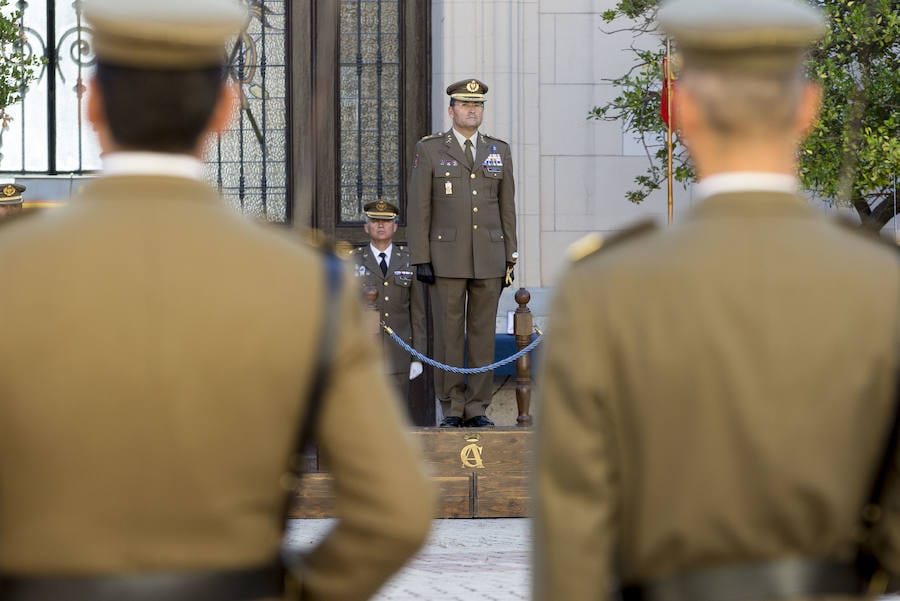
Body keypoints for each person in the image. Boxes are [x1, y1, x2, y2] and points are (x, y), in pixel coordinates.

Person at [0, 0, 435, 600]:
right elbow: (399, 510)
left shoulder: (11, 266)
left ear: (92, 102)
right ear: (227, 109)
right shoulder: (307, 281)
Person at [534, 0, 900, 599]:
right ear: (808, 108)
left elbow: (572, 549)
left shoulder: (605, 287)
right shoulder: (881, 283)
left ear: (685, 110)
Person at [407, 78, 517, 428]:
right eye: (466, 105)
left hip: (488, 255)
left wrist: (509, 255)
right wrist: (420, 256)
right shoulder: (430, 150)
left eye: (479, 105)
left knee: (482, 335)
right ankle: (452, 406)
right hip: (446, 257)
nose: (473, 110)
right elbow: (420, 206)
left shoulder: (498, 150)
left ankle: (478, 407)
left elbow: (507, 206)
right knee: (449, 336)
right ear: (451, 110)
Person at [350, 199, 425, 402]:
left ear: (395, 226)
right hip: (363, 355)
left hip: (399, 354)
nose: (380, 225)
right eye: (375, 221)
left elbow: (417, 314)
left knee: (397, 415)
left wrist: (417, 356)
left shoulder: (409, 261)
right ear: (366, 227)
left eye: (386, 221)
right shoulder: (352, 261)